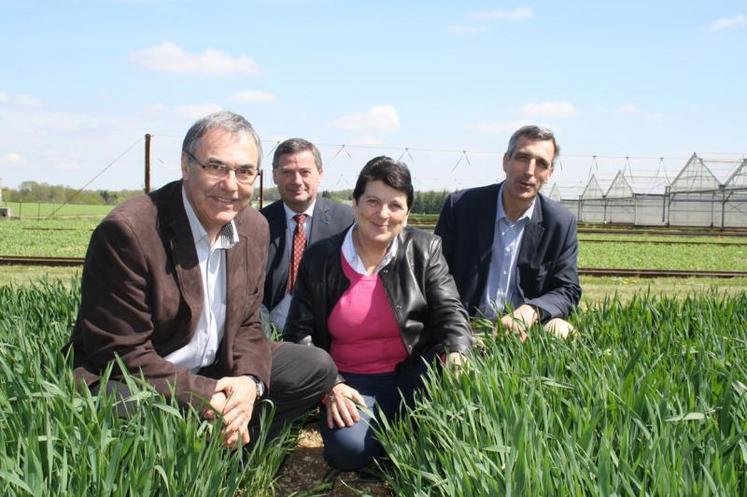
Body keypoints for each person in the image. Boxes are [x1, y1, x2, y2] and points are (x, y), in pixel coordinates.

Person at [68, 111, 337, 447]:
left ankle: (229, 444)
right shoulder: (129, 232)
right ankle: (201, 446)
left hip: (215, 369)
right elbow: (119, 351)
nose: (231, 185)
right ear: (186, 165)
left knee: (315, 366)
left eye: (244, 172)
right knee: (125, 407)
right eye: (215, 167)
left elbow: (249, 325)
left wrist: (248, 384)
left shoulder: (253, 227)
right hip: (142, 377)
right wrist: (207, 394)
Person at [283, 156, 472, 471]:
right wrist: (330, 384)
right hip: (349, 380)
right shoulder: (321, 258)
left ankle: (403, 429)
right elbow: (297, 334)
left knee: (450, 435)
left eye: (395, 205)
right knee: (348, 453)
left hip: (415, 372)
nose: (383, 214)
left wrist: (458, 352)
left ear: (407, 212)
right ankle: (395, 431)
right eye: (372, 201)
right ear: (355, 203)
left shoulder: (425, 249)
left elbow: (451, 311)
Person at [435, 125, 581, 340]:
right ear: (506, 161)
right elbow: (435, 276)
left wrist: (531, 311)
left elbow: (568, 289)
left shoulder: (560, 222)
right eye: (523, 158)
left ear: (549, 173)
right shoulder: (462, 207)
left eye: (541, 163)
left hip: (526, 330)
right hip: (466, 325)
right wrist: (456, 323)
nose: (530, 171)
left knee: (562, 331)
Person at [260, 138, 353, 331]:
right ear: (275, 175)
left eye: (305, 172)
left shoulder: (346, 222)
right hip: (271, 333)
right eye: (287, 172)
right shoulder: (259, 224)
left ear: (320, 174)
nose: (296, 181)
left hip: (327, 335)